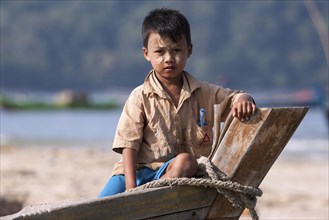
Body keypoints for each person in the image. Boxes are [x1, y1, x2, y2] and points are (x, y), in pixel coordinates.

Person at [98, 8, 256, 197]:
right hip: (137, 173)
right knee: (96, 208)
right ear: (146, 53)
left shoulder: (204, 92)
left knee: (186, 162)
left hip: (181, 173)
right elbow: (128, 145)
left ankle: (150, 197)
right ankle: (142, 195)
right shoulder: (139, 97)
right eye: (160, 52)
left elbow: (234, 97)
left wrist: (244, 99)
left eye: (176, 50)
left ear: (189, 50)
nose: (169, 59)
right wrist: (131, 189)